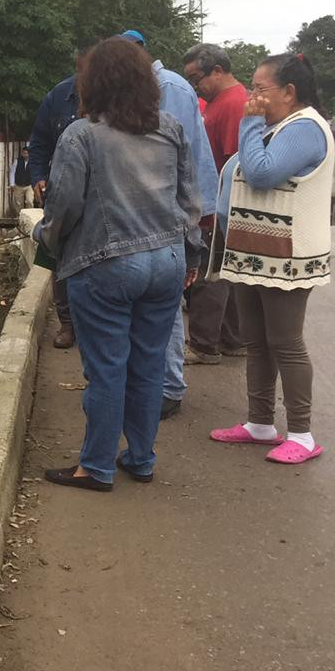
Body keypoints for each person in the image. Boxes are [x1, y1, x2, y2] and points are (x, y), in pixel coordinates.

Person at [34, 38, 204, 491]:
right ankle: (141, 459)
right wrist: (191, 254)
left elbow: (64, 206)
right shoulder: (170, 128)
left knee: (107, 368)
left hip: (107, 265)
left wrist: (43, 237)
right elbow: (190, 202)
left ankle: (95, 467)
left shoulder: (82, 134)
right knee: (148, 366)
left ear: (93, 83)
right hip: (166, 262)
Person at [207, 53, 333, 465]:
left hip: (286, 258)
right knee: (256, 340)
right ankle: (260, 422)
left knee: (285, 343)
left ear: (289, 92)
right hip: (256, 254)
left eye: (260, 89)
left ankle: (302, 433)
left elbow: (261, 174)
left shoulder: (305, 128)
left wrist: (248, 123)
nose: (252, 97)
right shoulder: (278, 126)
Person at [117, 29, 218, 421]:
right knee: (159, 300)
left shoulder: (168, 88)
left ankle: (168, 386)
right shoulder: (150, 87)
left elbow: (173, 159)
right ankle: (155, 383)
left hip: (171, 211)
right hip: (163, 210)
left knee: (165, 303)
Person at [183, 43, 251, 365]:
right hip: (218, 201)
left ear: (218, 71)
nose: (195, 86)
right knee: (226, 273)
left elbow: (235, 163)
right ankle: (232, 339)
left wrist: (215, 209)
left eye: (197, 78)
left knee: (209, 274)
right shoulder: (221, 102)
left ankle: (203, 345)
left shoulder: (234, 104)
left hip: (220, 203)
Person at [28, 52, 87, 349]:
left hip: (99, 195)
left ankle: (89, 322)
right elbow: (39, 143)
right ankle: (67, 323)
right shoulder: (58, 96)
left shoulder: (116, 97)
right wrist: (38, 177)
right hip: (61, 190)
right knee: (59, 256)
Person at [9, 145, 35, 213]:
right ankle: (19, 216)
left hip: (29, 185)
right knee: (18, 204)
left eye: (27, 153)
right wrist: (12, 184)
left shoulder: (33, 162)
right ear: (22, 153)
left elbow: (35, 173)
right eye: (24, 153)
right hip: (18, 185)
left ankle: (29, 215)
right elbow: (12, 172)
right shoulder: (17, 161)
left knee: (29, 201)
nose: (25, 155)